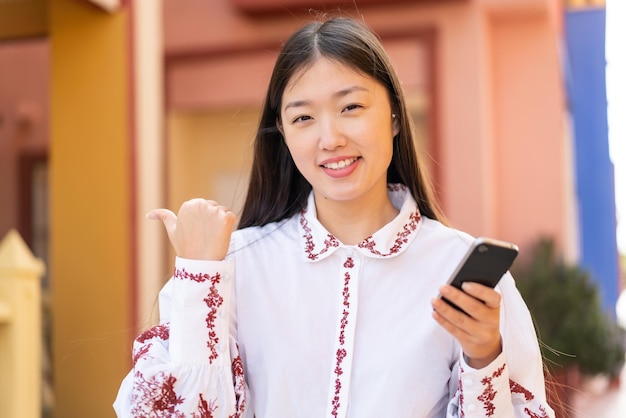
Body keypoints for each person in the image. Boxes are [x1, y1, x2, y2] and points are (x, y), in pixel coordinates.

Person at [114, 16, 554, 418]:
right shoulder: (232, 267)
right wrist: (199, 281)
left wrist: (484, 357)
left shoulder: (456, 267)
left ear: (395, 116)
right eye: (303, 117)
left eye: (351, 108)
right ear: (283, 135)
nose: (330, 138)